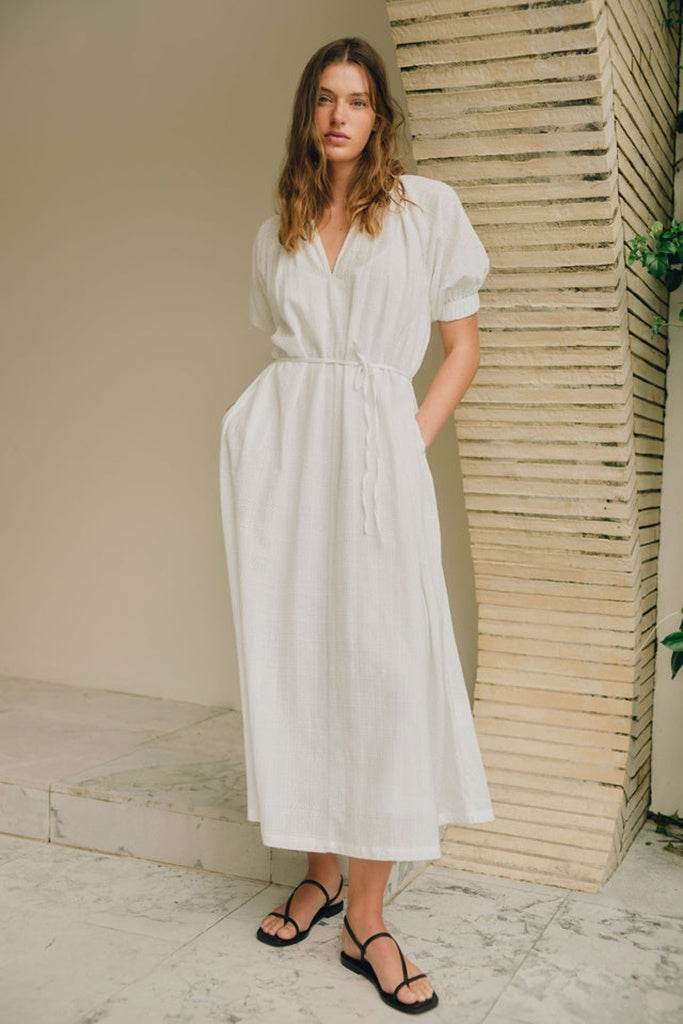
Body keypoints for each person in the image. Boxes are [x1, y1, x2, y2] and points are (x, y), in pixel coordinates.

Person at [219, 36, 493, 1015]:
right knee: (300, 658)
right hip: (286, 467)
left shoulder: (425, 211)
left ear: (380, 116)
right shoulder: (278, 231)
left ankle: (366, 916)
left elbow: (460, 348)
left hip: (378, 461)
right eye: (326, 99)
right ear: (308, 113)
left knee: (380, 669)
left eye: (359, 99)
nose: (341, 115)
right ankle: (318, 872)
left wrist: (406, 442)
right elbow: (287, 357)